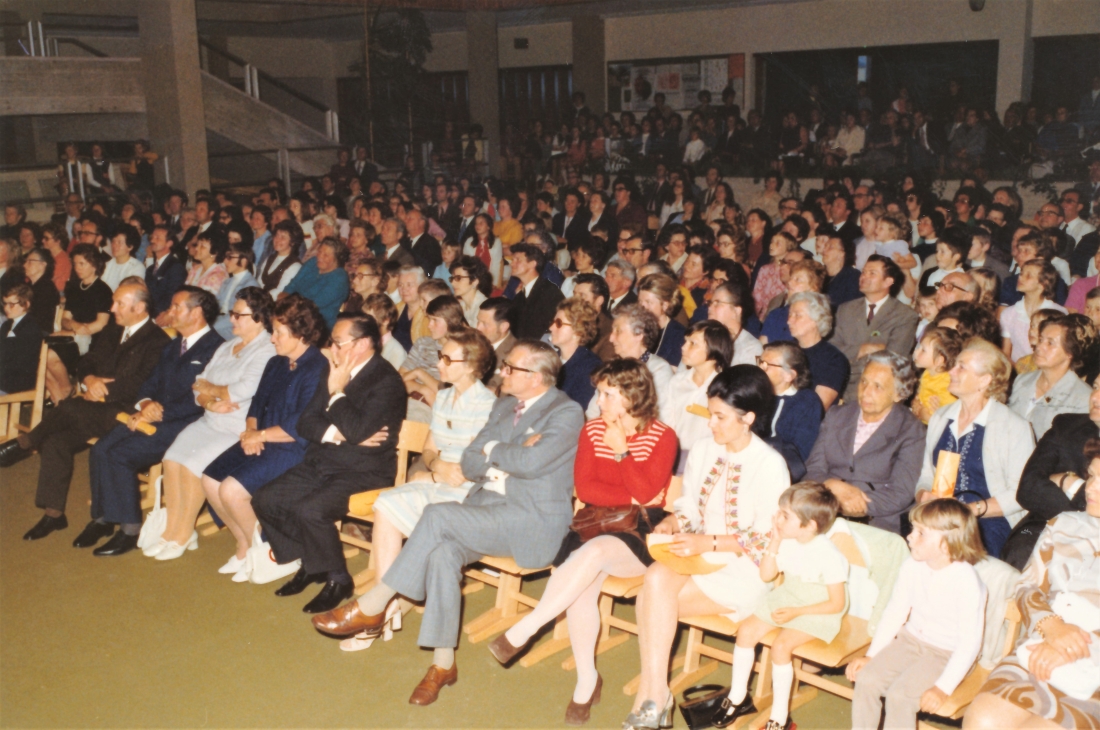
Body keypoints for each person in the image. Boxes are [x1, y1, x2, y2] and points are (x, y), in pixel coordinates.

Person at [310, 341, 584, 707]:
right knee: (440, 552)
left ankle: (374, 604)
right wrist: (504, 451)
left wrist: (493, 450)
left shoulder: (566, 412)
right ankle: (443, 663)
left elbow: (531, 464)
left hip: (530, 522)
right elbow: (471, 462)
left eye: (511, 367)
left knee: (437, 516)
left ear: (535, 377)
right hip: (488, 508)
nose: (502, 371)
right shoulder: (504, 405)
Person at [487, 359, 678, 723]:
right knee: (581, 586)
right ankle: (587, 680)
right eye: (599, 392)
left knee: (593, 553)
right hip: (593, 523)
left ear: (631, 396)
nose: (599, 400)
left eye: (608, 393)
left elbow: (649, 493)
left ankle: (527, 627)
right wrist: (630, 492)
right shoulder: (591, 431)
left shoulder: (663, 435)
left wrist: (622, 451)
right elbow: (587, 488)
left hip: (640, 532)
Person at [626, 365, 790, 730]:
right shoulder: (703, 450)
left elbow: (767, 538)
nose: (710, 424)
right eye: (710, 413)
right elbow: (689, 506)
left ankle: (652, 698)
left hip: (747, 569)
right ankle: (656, 694)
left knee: (650, 600)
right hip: (699, 556)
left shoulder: (770, 464)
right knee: (655, 578)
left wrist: (709, 541)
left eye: (719, 416)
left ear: (748, 417)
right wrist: (675, 522)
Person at [347, 330, 497, 645]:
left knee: (419, 504)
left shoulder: (487, 404)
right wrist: (434, 468)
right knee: (386, 504)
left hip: (468, 493)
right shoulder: (442, 396)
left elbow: (470, 469)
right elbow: (430, 451)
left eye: (446, 359)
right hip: (442, 480)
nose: (438, 363)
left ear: (469, 366)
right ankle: (383, 604)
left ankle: (381, 608)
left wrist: (432, 474)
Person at [249, 312, 405, 612]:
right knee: (266, 499)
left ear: (361, 344)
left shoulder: (386, 381)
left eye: (337, 342)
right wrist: (338, 434)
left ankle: (338, 578)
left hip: (365, 470)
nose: (330, 347)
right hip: (325, 459)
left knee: (310, 510)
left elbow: (359, 430)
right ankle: (312, 560)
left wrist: (336, 392)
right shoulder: (334, 369)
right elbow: (306, 423)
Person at [77, 287, 225, 557]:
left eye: (176, 307)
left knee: (121, 455)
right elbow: (150, 383)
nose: (169, 313)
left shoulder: (216, 349)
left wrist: (157, 412)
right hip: (152, 415)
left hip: (186, 424)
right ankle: (103, 518)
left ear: (197, 313)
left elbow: (200, 397)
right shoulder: (172, 346)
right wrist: (145, 404)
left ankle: (130, 529)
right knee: (100, 449)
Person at [200, 294, 327, 582]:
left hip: (294, 448)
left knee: (232, 490)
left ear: (300, 332)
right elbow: (257, 405)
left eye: (279, 333)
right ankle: (246, 542)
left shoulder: (317, 368)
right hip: (261, 438)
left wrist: (259, 434)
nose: (273, 339)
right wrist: (250, 432)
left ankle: (271, 550)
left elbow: (301, 424)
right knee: (210, 479)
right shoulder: (277, 363)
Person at [965, 461, 1100, 730]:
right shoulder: (1063, 524)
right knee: (983, 720)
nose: (1091, 487)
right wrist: (1052, 627)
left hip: (1094, 663)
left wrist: (1079, 645)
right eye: (1092, 476)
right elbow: (1027, 586)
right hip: (1041, 641)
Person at [145, 288, 276, 561]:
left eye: (240, 315)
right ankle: (173, 530)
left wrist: (211, 389)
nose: (233, 319)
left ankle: (182, 534)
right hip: (210, 418)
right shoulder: (227, 346)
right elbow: (197, 384)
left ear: (260, 319)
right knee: (172, 461)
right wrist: (210, 401)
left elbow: (242, 390)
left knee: (192, 467)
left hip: (235, 428)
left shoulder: (267, 350)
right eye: (232, 313)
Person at [716, 483, 848, 730]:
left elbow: (836, 603)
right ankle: (738, 696)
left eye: (785, 516)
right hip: (790, 597)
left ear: (809, 526)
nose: (776, 518)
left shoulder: (828, 555)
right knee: (745, 632)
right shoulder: (788, 539)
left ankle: (779, 716)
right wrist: (775, 542)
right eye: (779, 512)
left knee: (781, 646)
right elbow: (767, 576)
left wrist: (798, 612)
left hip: (818, 610)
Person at [847, 499, 987, 730]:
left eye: (921, 533)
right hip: (911, 641)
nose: (910, 536)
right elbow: (895, 612)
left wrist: (943, 687)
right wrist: (872, 656)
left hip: (947, 653)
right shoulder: (912, 566)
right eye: (913, 530)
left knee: (900, 697)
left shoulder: (966, 582)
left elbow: (969, 643)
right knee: (866, 679)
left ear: (947, 545)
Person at [915, 339, 1034, 558]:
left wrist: (970, 510)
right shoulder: (941, 417)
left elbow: (1021, 494)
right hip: (941, 516)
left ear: (985, 380)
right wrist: (924, 495)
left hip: (988, 521)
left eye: (962, 366)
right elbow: (926, 474)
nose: (951, 371)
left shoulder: (1014, 427)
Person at [804, 350, 925, 534]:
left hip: (876, 521)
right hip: (824, 510)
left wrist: (851, 505)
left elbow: (900, 493)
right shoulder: (837, 415)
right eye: (864, 382)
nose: (866, 392)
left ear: (899, 394)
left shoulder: (911, 430)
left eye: (878, 386)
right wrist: (831, 485)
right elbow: (813, 468)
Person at [829, 254, 920, 403]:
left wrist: (852, 354)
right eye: (864, 272)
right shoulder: (845, 309)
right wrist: (864, 349)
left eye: (872, 273)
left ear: (888, 281)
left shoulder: (905, 316)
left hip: (879, 391)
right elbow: (833, 350)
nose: (864, 276)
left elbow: (894, 359)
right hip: (842, 386)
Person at [1008, 314, 1094, 439]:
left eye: (1050, 343)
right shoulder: (1022, 380)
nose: (1039, 347)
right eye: (1041, 339)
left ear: (1070, 352)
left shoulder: (1082, 398)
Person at [587, 304, 673, 424]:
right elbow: (592, 413)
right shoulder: (612, 367)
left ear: (638, 335)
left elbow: (658, 418)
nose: (611, 338)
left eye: (618, 331)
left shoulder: (658, 370)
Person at [666, 321, 733, 471]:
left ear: (714, 350)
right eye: (685, 341)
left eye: (693, 343)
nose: (683, 347)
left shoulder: (726, 387)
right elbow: (668, 423)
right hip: (675, 455)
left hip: (710, 458)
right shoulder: (677, 381)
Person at [758, 341, 823, 464]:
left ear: (789, 375)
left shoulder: (807, 402)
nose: (760, 368)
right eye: (760, 362)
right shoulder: (756, 393)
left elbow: (800, 452)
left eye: (767, 365)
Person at [787, 291, 849, 410]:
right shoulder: (785, 351)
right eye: (790, 315)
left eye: (797, 315)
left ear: (816, 320)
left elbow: (815, 409)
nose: (789, 321)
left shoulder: (833, 360)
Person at [1000, 259, 1067, 363]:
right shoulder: (1009, 313)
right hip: (1018, 372)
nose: (1020, 277)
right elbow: (1005, 353)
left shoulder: (1058, 313)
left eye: (1028, 276)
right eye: (1021, 273)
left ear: (1043, 284)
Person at [281, 237, 350, 329]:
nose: (320, 257)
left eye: (325, 255)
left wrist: (287, 306)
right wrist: (283, 297)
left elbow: (313, 305)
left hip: (318, 324)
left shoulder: (340, 279)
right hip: (295, 313)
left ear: (336, 259)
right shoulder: (313, 262)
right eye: (319, 251)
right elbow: (293, 284)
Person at [549, 296, 603, 408]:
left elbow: (575, 410)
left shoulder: (591, 368)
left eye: (558, 323)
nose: (551, 328)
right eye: (553, 322)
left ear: (578, 331)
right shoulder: (550, 359)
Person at [507, 243, 564, 340]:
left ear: (533, 263)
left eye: (517, 260)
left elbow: (539, 332)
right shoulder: (520, 296)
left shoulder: (549, 293)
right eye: (512, 260)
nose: (512, 264)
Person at [911, 326, 962, 425]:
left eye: (923, 350)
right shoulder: (927, 373)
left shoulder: (947, 384)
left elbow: (948, 423)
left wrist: (924, 415)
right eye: (918, 347)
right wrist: (916, 403)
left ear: (939, 360)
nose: (916, 352)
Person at [0, 284, 44, 395]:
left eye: (11, 304)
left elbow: (20, 361)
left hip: (16, 381)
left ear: (26, 304)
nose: (6, 308)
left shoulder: (31, 327)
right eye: (5, 303)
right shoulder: (6, 325)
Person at [708, 280, 763, 366]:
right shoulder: (703, 338)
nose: (710, 308)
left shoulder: (751, 348)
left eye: (717, 303)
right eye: (710, 303)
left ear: (736, 311)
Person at [637, 273, 687, 367]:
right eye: (640, 301)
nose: (642, 307)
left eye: (648, 302)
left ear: (664, 305)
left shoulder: (678, 336)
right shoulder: (635, 326)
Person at [213, 244, 260, 339]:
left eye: (229, 257)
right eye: (225, 257)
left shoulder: (250, 286)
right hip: (220, 323)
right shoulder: (227, 281)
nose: (225, 261)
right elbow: (216, 305)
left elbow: (238, 315)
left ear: (243, 261)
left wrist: (210, 324)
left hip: (232, 328)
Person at [257, 220, 303, 299]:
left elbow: (280, 291)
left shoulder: (295, 265)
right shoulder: (270, 258)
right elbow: (259, 282)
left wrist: (259, 299)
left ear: (292, 242)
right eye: (276, 235)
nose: (277, 240)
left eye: (283, 237)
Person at [361, 292, 406, 370]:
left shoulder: (396, 352)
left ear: (385, 321)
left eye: (370, 318)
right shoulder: (362, 342)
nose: (364, 322)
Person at [21, 248, 60, 335]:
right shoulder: (29, 286)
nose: (24, 265)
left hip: (38, 333)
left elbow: (38, 320)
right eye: (25, 261)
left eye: (30, 261)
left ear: (42, 265)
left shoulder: (47, 289)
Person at [185, 227, 229, 296]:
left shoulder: (218, 275)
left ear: (214, 252)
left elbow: (206, 302)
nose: (196, 248)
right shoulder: (195, 268)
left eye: (202, 246)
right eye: (197, 244)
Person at [102, 226, 147, 292]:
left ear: (130, 247)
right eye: (113, 241)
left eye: (119, 242)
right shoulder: (107, 264)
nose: (114, 245)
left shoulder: (137, 267)